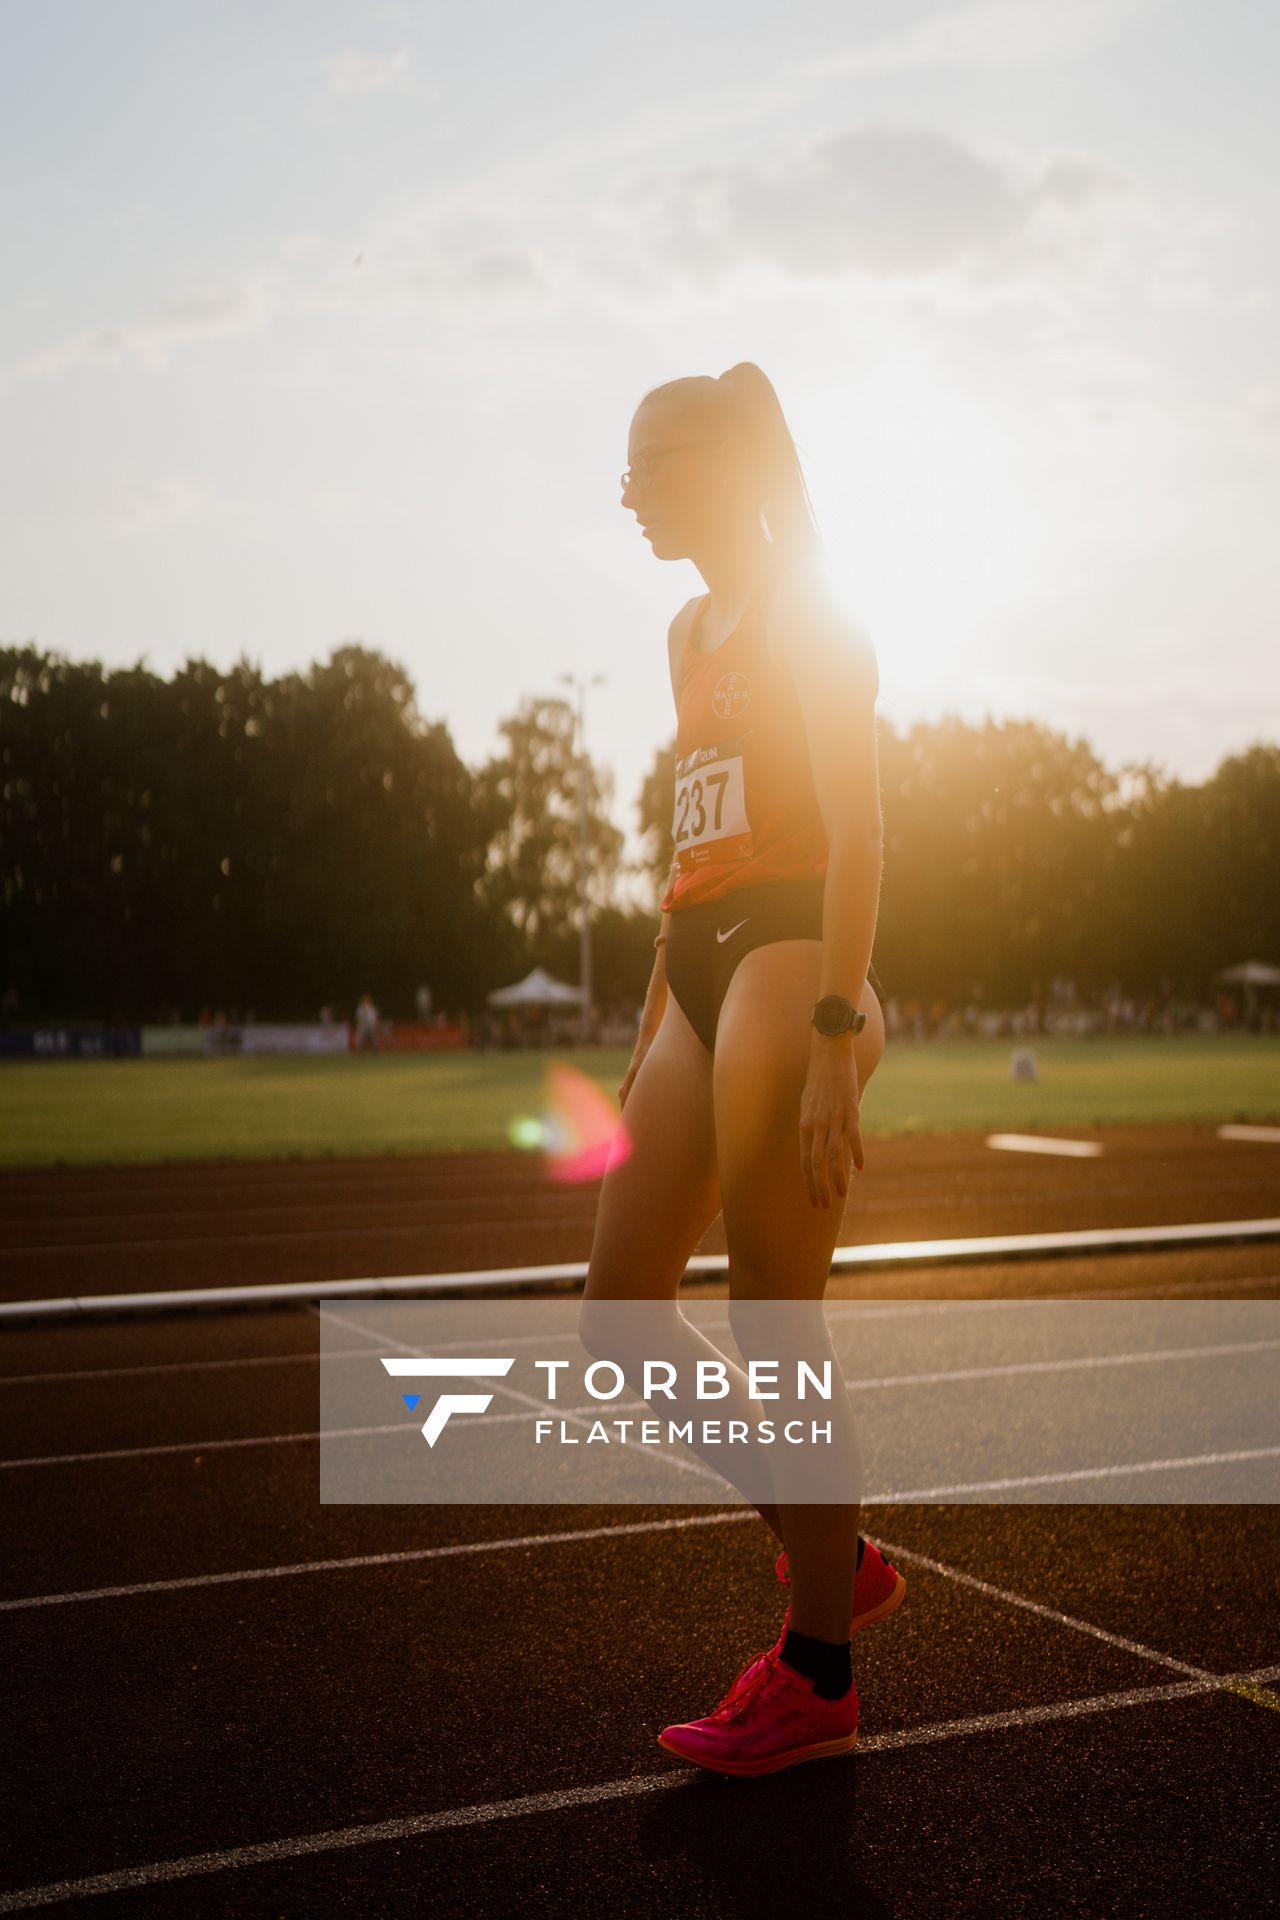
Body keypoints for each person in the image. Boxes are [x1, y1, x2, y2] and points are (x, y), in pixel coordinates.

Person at [579, 361, 901, 1779]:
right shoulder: (683, 630)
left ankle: (820, 1674)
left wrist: (838, 1033)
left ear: (721, 465)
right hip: (699, 959)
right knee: (620, 1321)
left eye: (653, 459)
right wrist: (652, 1022)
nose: (631, 487)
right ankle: (827, 1543)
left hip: (794, 958)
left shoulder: (814, 614)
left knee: (775, 1321)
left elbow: (862, 832)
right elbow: (686, 850)